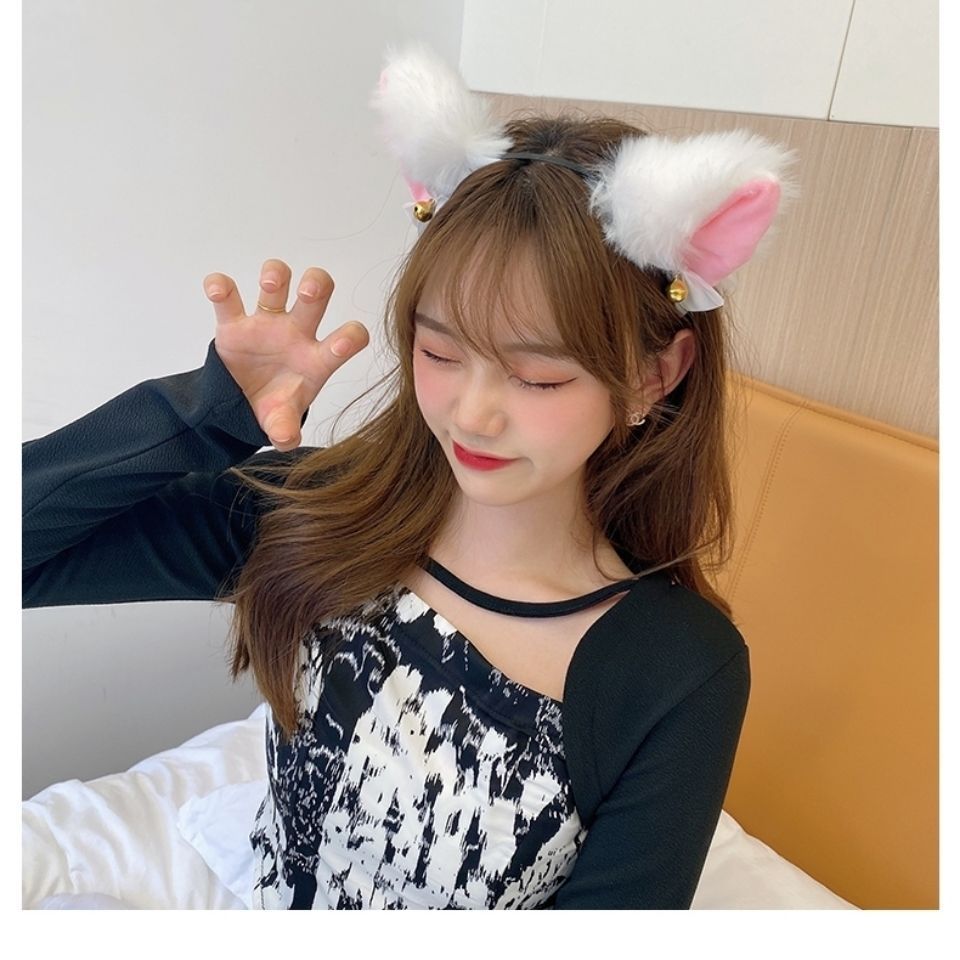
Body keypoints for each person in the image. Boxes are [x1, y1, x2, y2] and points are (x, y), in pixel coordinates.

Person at [22, 45, 795, 909]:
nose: (473, 414)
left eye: (537, 377)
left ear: (655, 374)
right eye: (441, 352)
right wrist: (203, 415)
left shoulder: (676, 670)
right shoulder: (324, 511)